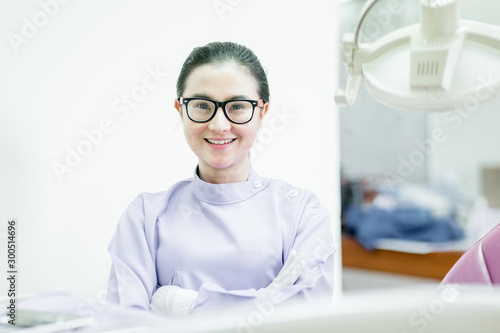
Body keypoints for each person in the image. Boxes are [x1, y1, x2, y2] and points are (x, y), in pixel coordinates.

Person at [107, 41, 335, 317]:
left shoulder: (303, 214)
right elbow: (125, 324)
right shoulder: (144, 217)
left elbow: (309, 319)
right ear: (180, 109)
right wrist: (268, 302)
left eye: (237, 106)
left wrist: (187, 307)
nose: (218, 125)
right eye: (202, 105)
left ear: (261, 113)